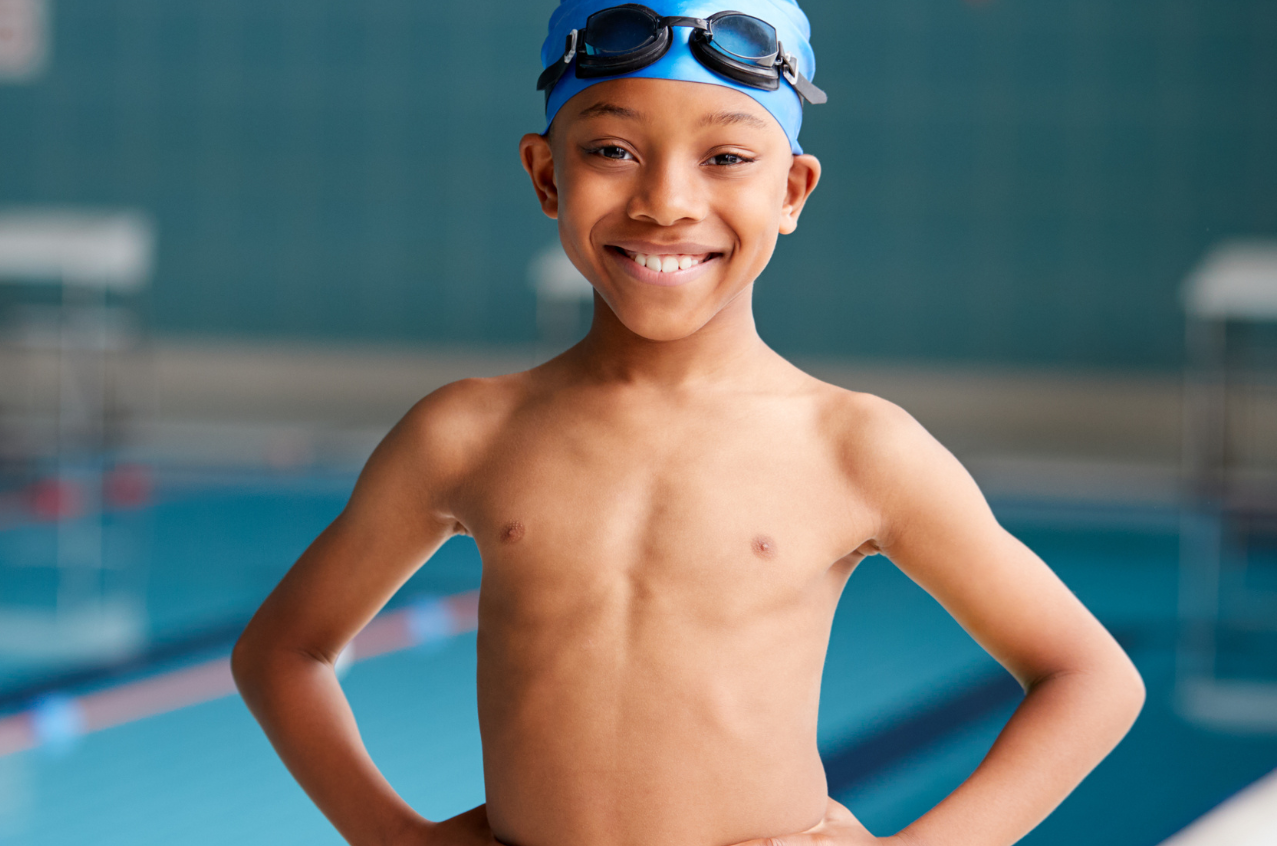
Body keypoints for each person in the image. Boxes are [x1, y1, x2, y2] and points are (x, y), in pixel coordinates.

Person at [228, 2, 1146, 845]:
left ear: (791, 191)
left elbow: (1090, 678)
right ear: (546, 175)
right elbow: (284, 651)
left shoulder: (854, 447)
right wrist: (398, 838)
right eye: (612, 151)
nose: (665, 202)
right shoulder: (468, 433)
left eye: (727, 158)